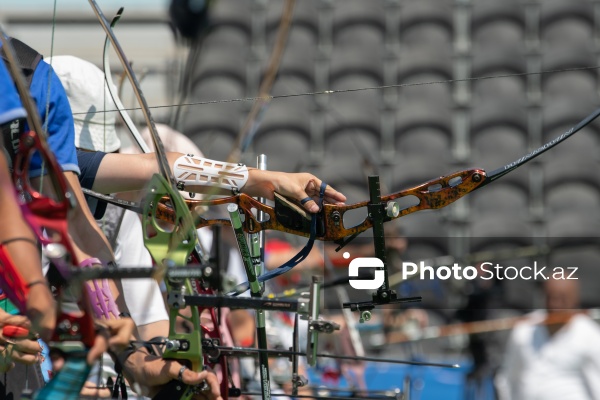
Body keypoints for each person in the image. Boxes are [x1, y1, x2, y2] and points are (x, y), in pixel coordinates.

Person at [495, 278, 600, 400]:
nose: (555, 305)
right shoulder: (525, 330)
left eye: (562, 299)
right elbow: (507, 378)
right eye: (551, 297)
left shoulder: (590, 335)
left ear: (575, 300)